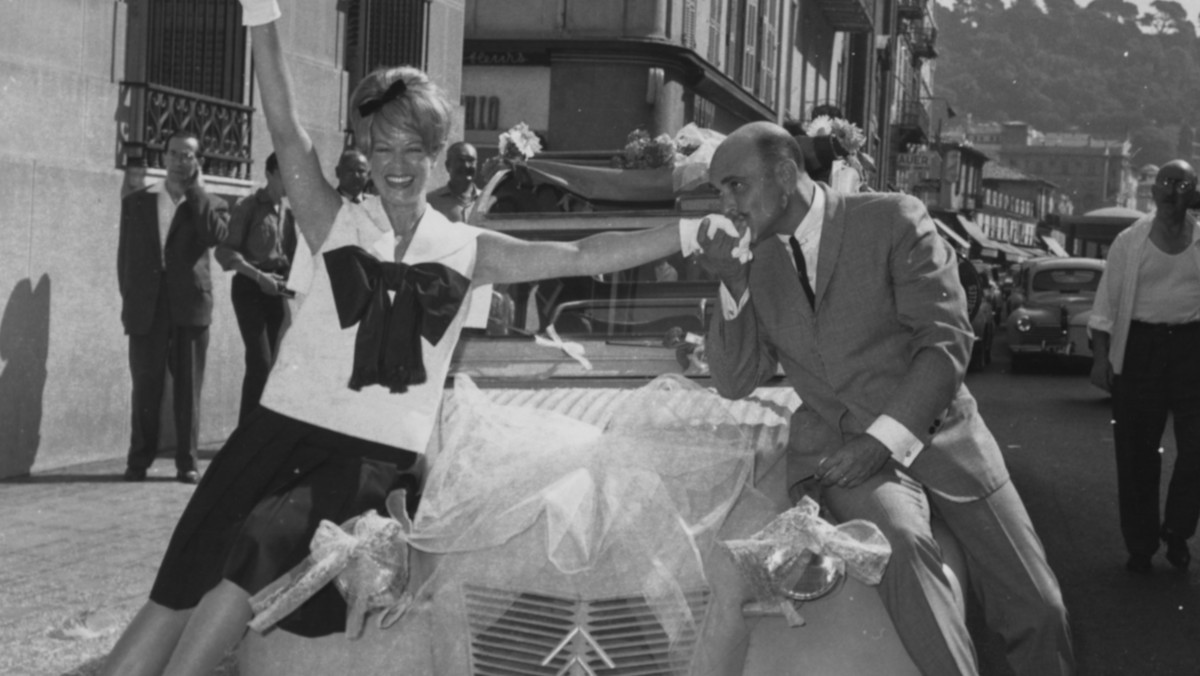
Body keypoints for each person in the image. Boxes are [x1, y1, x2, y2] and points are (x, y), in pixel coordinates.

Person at [98, 3, 715, 675]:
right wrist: (262, 12)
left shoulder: (468, 248)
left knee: (253, 553)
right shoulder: (333, 221)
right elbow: (284, 119)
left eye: (413, 150)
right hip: (274, 434)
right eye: (381, 148)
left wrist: (686, 234)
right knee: (180, 578)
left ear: (437, 157)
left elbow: (583, 252)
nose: (397, 165)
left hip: (367, 462)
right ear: (363, 153)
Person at [696, 122, 1073, 676]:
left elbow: (945, 341)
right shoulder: (756, 259)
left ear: (782, 173)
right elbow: (734, 380)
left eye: (735, 186)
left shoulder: (891, 218)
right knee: (900, 548)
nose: (726, 205)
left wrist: (882, 440)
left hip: (940, 437)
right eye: (719, 192)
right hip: (846, 454)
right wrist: (731, 284)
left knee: (1038, 607)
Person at [1089, 159, 1200, 575]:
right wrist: (1101, 359)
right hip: (1140, 348)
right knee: (1137, 453)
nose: (1173, 192)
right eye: (1166, 183)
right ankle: (1140, 543)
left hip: (1193, 349)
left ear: (1194, 192)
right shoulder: (1129, 242)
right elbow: (1106, 306)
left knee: (1197, 451)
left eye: (1183, 184)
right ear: (1153, 190)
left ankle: (1177, 529)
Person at [116, 130, 229, 485]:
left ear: (198, 162)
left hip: (190, 305)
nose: (181, 161)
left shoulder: (211, 202)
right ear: (163, 157)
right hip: (148, 306)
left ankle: (187, 463)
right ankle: (139, 461)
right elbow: (126, 259)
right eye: (175, 154)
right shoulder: (138, 202)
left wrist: (196, 191)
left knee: (187, 389)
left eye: (189, 155)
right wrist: (132, 299)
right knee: (145, 385)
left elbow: (215, 236)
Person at [215, 152, 298, 425]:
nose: (291, 181)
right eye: (285, 174)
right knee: (259, 361)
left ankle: (261, 437)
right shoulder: (249, 205)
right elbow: (225, 252)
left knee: (274, 364)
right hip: (250, 288)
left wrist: (286, 280)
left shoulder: (287, 212)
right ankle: (244, 436)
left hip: (275, 291)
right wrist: (260, 277)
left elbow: (288, 257)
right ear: (270, 174)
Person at [427, 140, 480, 222]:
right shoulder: (430, 203)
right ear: (448, 165)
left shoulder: (487, 201)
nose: (466, 165)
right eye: (461, 160)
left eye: (470, 160)